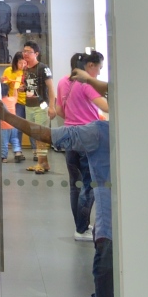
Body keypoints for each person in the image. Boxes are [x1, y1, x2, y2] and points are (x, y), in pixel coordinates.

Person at [0, 101, 114, 297]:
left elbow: (48, 135)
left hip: (110, 237)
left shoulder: (100, 132)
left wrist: (7, 116)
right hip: (143, 238)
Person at [55, 53, 109, 242]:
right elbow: (106, 107)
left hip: (69, 135)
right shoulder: (87, 84)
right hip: (87, 136)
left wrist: (74, 117)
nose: (99, 72)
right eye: (99, 67)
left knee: (75, 185)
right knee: (89, 184)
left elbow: (59, 110)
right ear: (89, 66)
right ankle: (81, 228)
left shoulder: (63, 82)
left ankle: (80, 225)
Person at [20, 42, 54, 173]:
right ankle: (43, 163)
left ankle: (42, 163)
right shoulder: (26, 68)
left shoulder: (43, 68)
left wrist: (52, 107)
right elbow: (31, 86)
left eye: (29, 52)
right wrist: (23, 88)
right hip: (29, 105)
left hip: (41, 106)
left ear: (36, 54)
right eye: (24, 51)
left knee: (40, 136)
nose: (25, 54)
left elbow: (51, 88)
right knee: (35, 135)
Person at [0, 57, 25, 162]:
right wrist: (16, 86)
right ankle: (18, 152)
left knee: (4, 142)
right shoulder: (12, 100)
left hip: (4, 126)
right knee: (15, 139)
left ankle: (4, 157)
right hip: (13, 125)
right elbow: (15, 92)